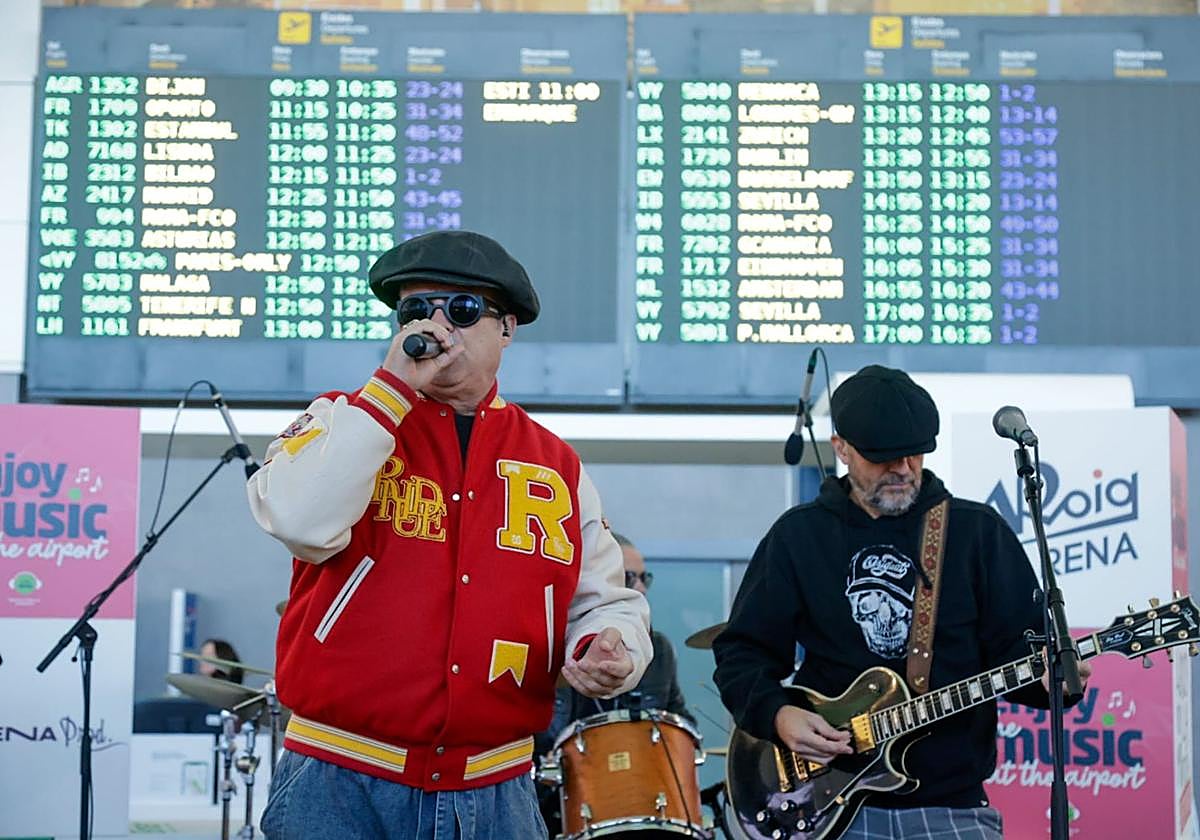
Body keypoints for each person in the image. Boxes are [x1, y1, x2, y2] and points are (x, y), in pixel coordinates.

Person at [247, 230, 651, 840]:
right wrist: (388, 394)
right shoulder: (343, 418)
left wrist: (611, 645)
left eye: (461, 310)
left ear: (506, 328)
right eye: (416, 310)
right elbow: (300, 522)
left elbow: (604, 600)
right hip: (338, 776)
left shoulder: (555, 464)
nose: (436, 328)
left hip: (495, 787)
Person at [713, 365, 1090, 839]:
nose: (902, 469)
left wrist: (1056, 676)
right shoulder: (798, 537)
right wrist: (777, 714)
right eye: (883, 458)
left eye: (914, 455)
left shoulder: (976, 533)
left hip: (951, 807)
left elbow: (1018, 660)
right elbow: (741, 652)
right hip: (827, 807)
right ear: (842, 448)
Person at [534, 533, 693, 834]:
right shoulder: (554, 648)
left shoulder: (657, 648)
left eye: (645, 577)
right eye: (630, 577)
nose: (642, 587)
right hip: (562, 805)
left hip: (645, 799)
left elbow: (681, 723)